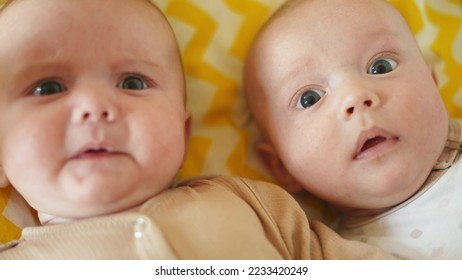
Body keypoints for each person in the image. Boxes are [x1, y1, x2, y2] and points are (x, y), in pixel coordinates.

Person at [0, 0, 395, 259]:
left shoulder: (250, 204)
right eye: (47, 88)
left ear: (182, 133)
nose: (97, 107)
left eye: (133, 83)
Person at [243, 0, 462, 259]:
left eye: (381, 67)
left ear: (432, 82)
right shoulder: (328, 257)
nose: (355, 96)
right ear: (280, 166)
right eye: (309, 98)